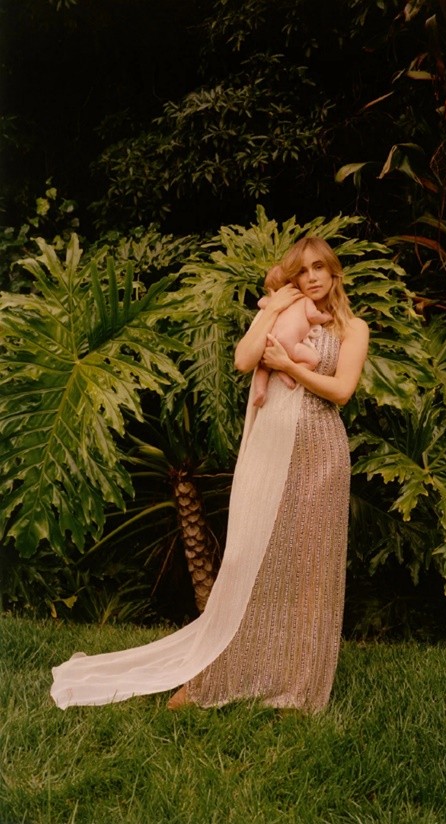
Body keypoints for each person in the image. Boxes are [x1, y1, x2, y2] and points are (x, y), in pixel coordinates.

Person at [50, 236, 369, 712]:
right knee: (247, 559)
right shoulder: (282, 312)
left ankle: (299, 686)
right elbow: (243, 360)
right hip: (270, 448)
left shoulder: (352, 328)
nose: (312, 278)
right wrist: (271, 309)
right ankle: (212, 675)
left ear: (334, 271)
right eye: (302, 271)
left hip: (321, 453)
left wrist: (288, 365)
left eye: (319, 267)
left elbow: (341, 391)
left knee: (310, 570)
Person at [252, 263, 333, 407]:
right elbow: (313, 316)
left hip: (270, 341)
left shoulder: (272, 303)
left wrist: (272, 298)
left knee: (263, 368)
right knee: (313, 360)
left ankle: (260, 391)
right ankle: (287, 372)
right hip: (290, 344)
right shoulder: (303, 299)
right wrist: (327, 317)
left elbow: (260, 302)